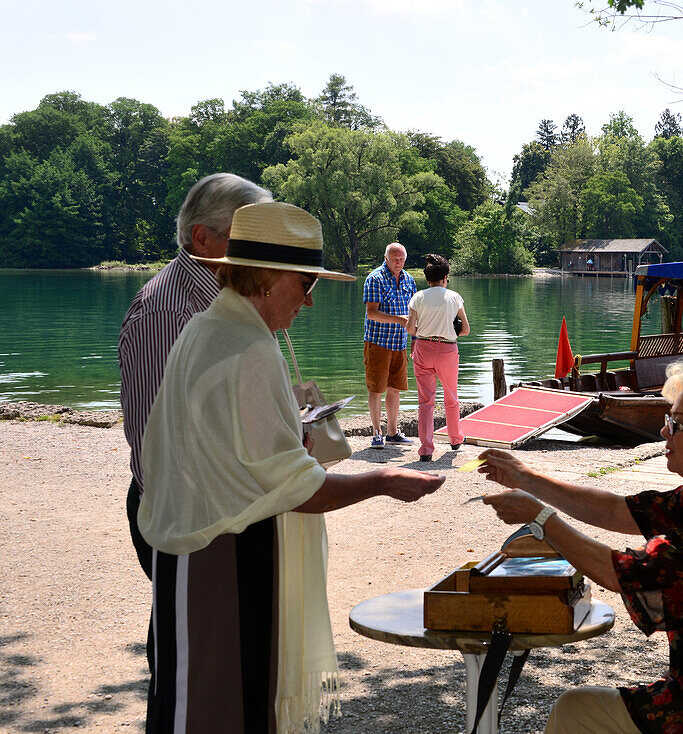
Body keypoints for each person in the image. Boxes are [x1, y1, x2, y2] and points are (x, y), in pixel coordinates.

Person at [139, 201, 445, 733]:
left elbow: (222, 443)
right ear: (269, 277)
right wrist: (384, 480)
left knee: (193, 701)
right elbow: (297, 488)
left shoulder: (209, 326)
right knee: (224, 707)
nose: (308, 301)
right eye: (305, 284)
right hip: (224, 553)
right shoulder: (247, 346)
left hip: (191, 545)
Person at [476, 361, 683, 733]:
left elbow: (624, 573)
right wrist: (526, 476)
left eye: (678, 424)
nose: (664, 431)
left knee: (576, 711)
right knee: (579, 708)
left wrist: (541, 520)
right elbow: (616, 509)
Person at [119, 172, 272, 581]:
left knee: (222, 637)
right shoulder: (168, 311)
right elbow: (157, 439)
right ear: (202, 238)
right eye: (246, 237)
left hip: (221, 509)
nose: (258, 250)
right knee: (182, 637)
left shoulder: (224, 300)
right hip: (186, 516)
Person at [405, 254, 470, 462]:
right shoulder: (454, 297)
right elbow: (466, 330)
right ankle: (455, 438)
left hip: (423, 347)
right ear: (445, 277)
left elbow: (410, 328)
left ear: (427, 279)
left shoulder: (417, 297)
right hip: (447, 350)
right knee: (451, 397)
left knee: (425, 402)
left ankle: (426, 449)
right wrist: (451, 331)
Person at [363, 242, 417, 449]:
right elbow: (372, 312)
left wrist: (414, 340)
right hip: (378, 342)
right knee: (376, 389)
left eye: (402, 259)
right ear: (385, 258)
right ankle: (377, 433)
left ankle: (392, 433)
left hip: (400, 343)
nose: (398, 263)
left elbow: (413, 314)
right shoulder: (375, 278)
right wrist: (400, 320)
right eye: (395, 259)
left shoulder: (409, 279)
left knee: (395, 388)